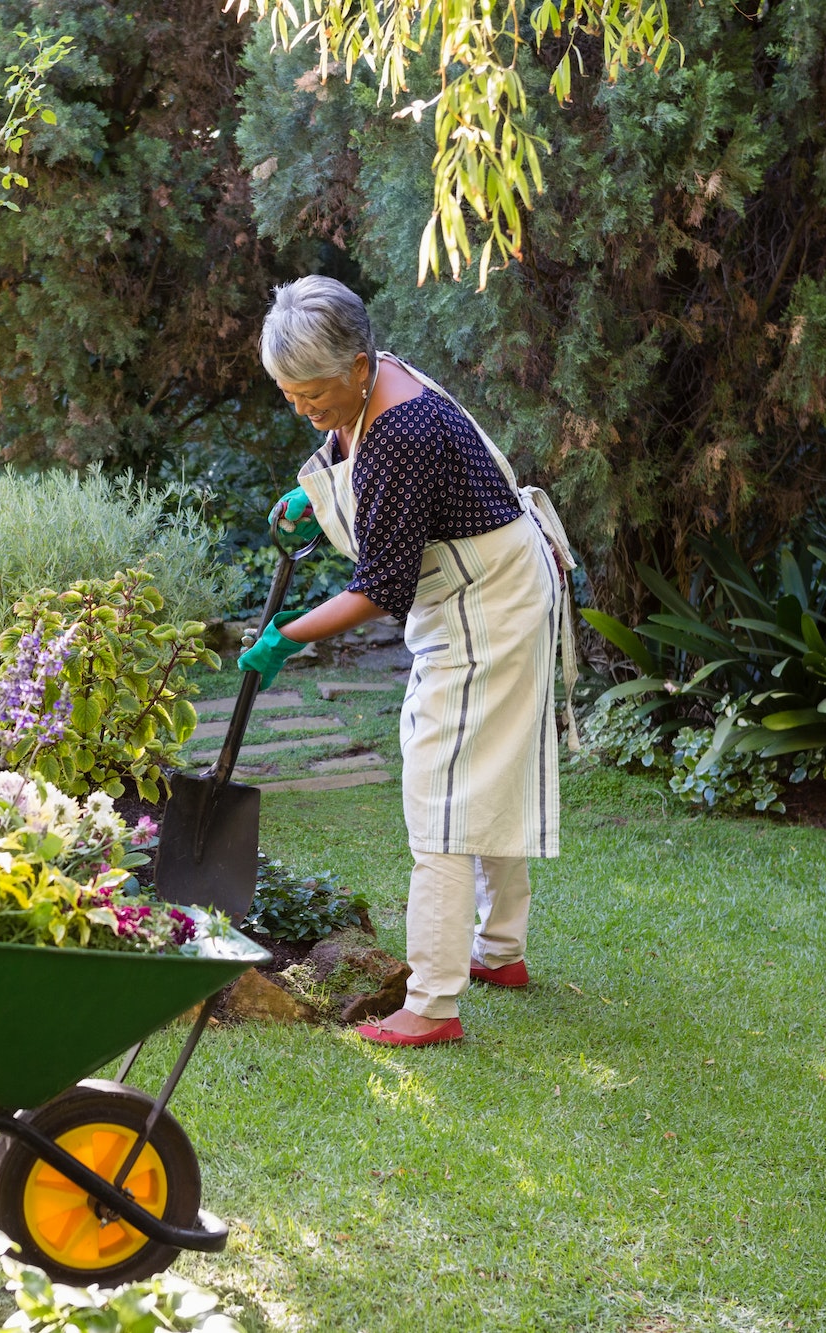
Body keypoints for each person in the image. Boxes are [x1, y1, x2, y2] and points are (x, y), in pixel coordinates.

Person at [237, 276, 579, 1047]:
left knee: (442, 793)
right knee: (482, 775)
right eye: (289, 394)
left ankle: (431, 1004)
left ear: (358, 365)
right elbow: (347, 438)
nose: (301, 407)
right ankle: (500, 952)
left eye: (310, 392)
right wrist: (313, 491)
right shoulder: (373, 384)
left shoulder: (402, 431)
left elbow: (381, 587)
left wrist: (287, 636)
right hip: (491, 585)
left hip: (485, 610)